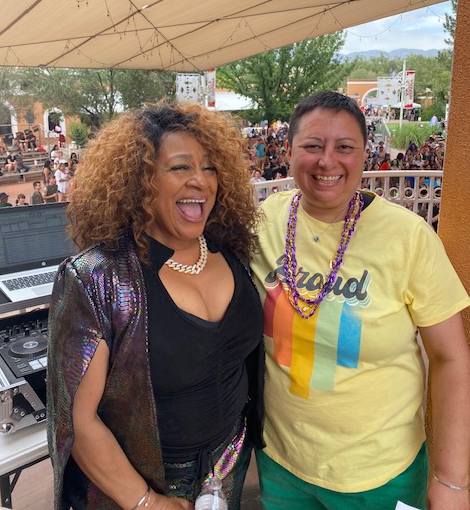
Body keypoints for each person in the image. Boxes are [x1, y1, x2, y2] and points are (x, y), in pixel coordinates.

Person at [251, 91, 470, 510]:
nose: (327, 161)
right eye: (312, 145)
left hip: (381, 475)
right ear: (289, 152)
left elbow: (451, 358)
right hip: (281, 464)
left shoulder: (408, 237)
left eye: (344, 147)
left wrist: (453, 480)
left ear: (365, 154)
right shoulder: (264, 222)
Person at [47, 102, 264, 510]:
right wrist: (147, 501)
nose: (200, 180)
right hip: (144, 481)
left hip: (229, 464)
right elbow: (77, 419)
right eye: (180, 167)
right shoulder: (98, 277)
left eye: (210, 167)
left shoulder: (231, 251)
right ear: (141, 180)